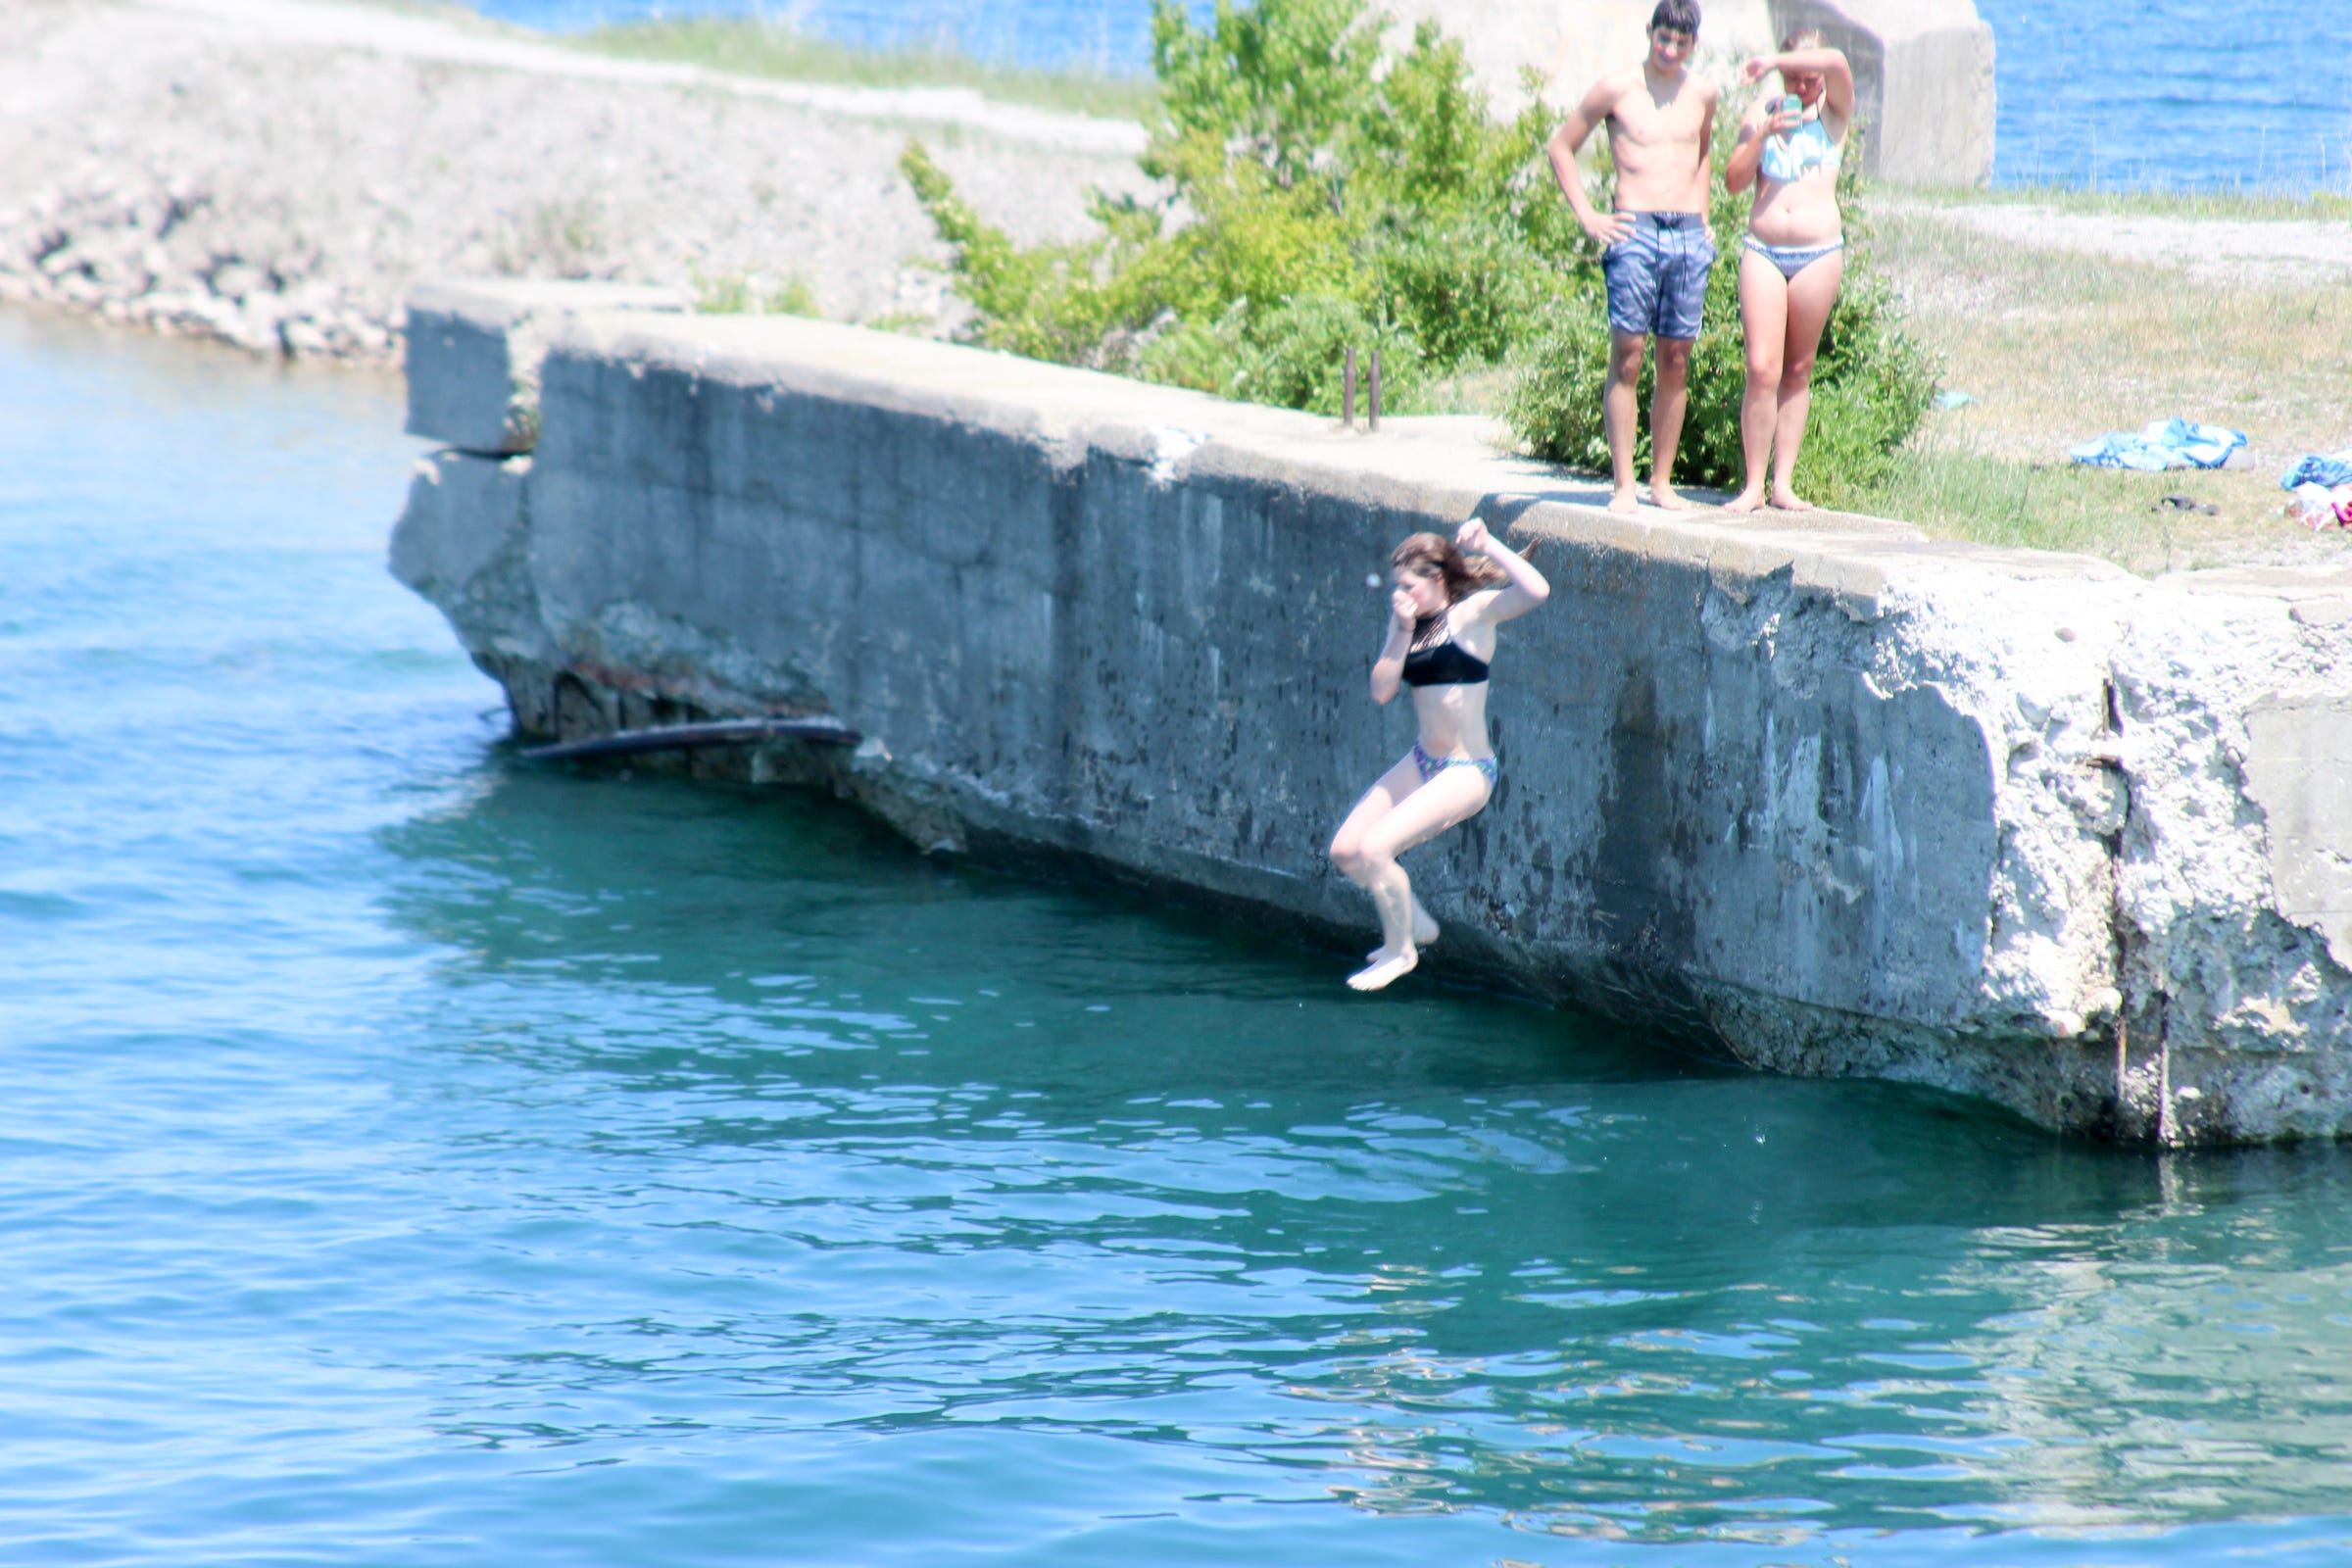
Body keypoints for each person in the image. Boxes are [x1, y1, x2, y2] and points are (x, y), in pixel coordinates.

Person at [1328, 518, 1549, 993]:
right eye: (1397, 586)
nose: (1400, 595)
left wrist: (1490, 544)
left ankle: (1401, 950)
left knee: (1376, 848)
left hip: (1467, 770)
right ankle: (1417, 924)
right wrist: (1402, 628)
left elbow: (1536, 592)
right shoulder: (1407, 620)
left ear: (1439, 580)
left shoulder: (1472, 615)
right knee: (1347, 852)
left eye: (1409, 586)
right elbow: (1382, 690)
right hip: (1423, 760)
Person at [1544, 0, 1720, 515]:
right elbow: (1561, 147)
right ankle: (1624, 485)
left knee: (1676, 359)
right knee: (1629, 354)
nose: (1669, 50)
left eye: (1680, 43)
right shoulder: (1616, 88)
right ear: (1650, 33)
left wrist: (1704, 216)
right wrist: (1589, 217)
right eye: (1663, 38)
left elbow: (1703, 152)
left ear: (1693, 45)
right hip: (1634, 230)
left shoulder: (1703, 93)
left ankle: (1661, 483)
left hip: (1687, 234)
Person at [1722, 31, 1854, 514]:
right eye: (1793, 77)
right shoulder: (1762, 113)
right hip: (1764, 250)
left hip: (1819, 253)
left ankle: (1783, 484)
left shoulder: (1834, 112)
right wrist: (1762, 135)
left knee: (1798, 369)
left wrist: (1776, 58)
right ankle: (1752, 486)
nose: (1802, 87)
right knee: (1762, 367)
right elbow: (1734, 182)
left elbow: (1838, 58)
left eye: (1809, 77)